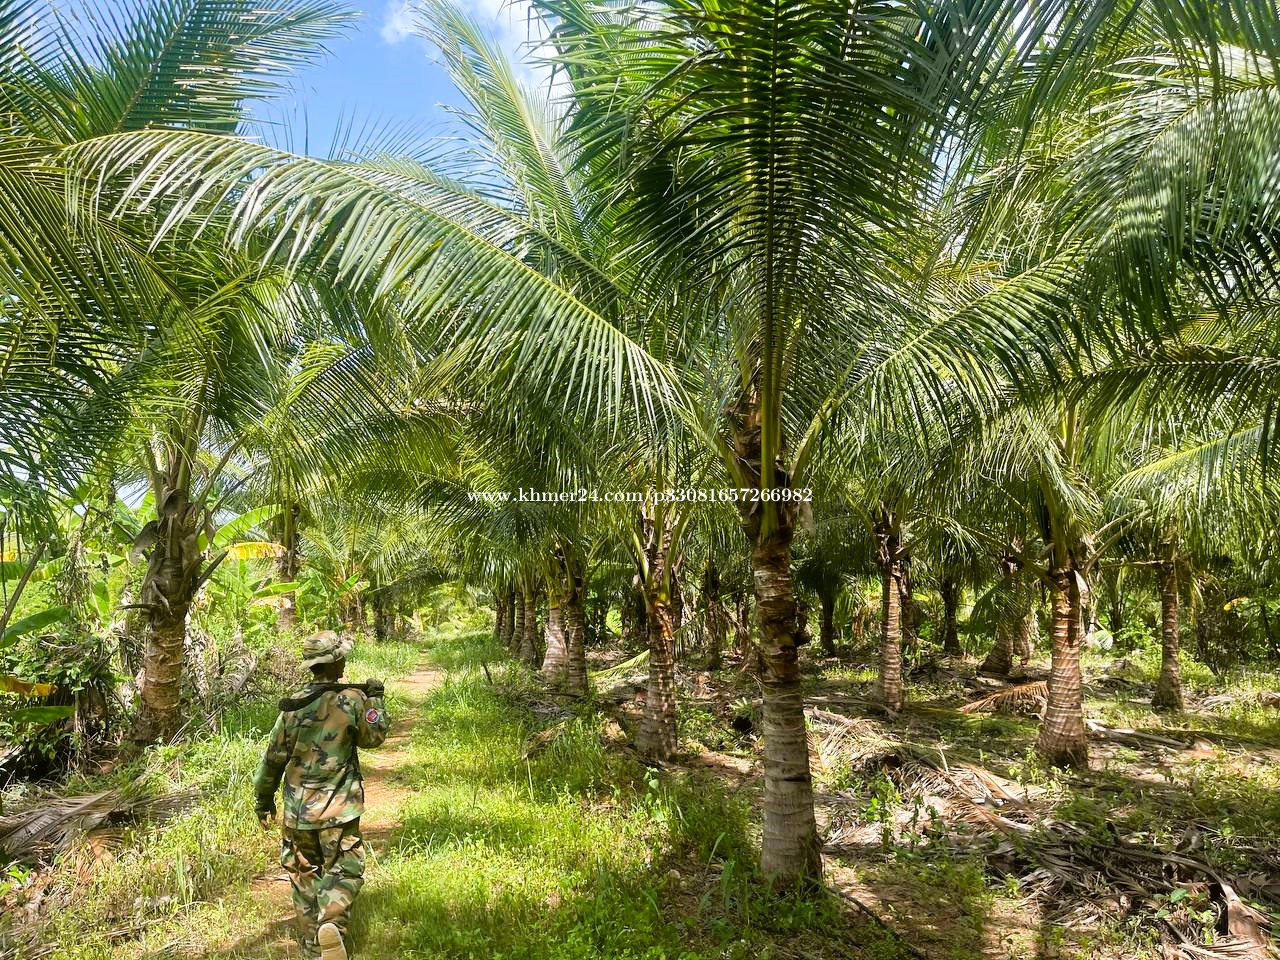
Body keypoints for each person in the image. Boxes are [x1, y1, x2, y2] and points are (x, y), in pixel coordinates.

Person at [253, 631, 390, 960]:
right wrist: (375, 701)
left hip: (298, 814)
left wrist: (263, 800)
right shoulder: (352, 700)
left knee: (305, 878)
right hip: (339, 811)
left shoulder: (292, 707)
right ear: (335, 663)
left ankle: (316, 949)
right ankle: (332, 923)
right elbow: (373, 738)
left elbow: (272, 760)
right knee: (346, 869)